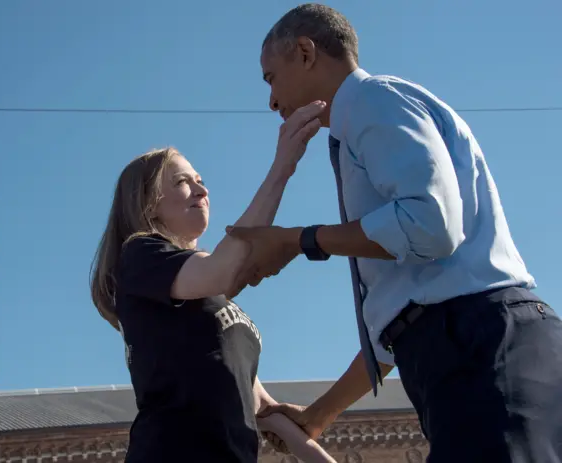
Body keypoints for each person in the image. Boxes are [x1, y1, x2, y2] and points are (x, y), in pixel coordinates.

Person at [225, 3, 562, 462]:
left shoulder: (372, 101)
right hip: (468, 348)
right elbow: (404, 313)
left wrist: (295, 241)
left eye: (270, 78)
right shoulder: (357, 128)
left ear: (305, 52)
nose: (271, 100)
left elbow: (430, 225)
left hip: (483, 344)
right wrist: (322, 414)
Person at [89, 134, 338, 461]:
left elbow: (261, 407)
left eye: (201, 181)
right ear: (147, 202)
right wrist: (283, 165)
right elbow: (224, 268)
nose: (202, 190)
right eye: (182, 182)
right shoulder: (140, 256)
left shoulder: (210, 297)